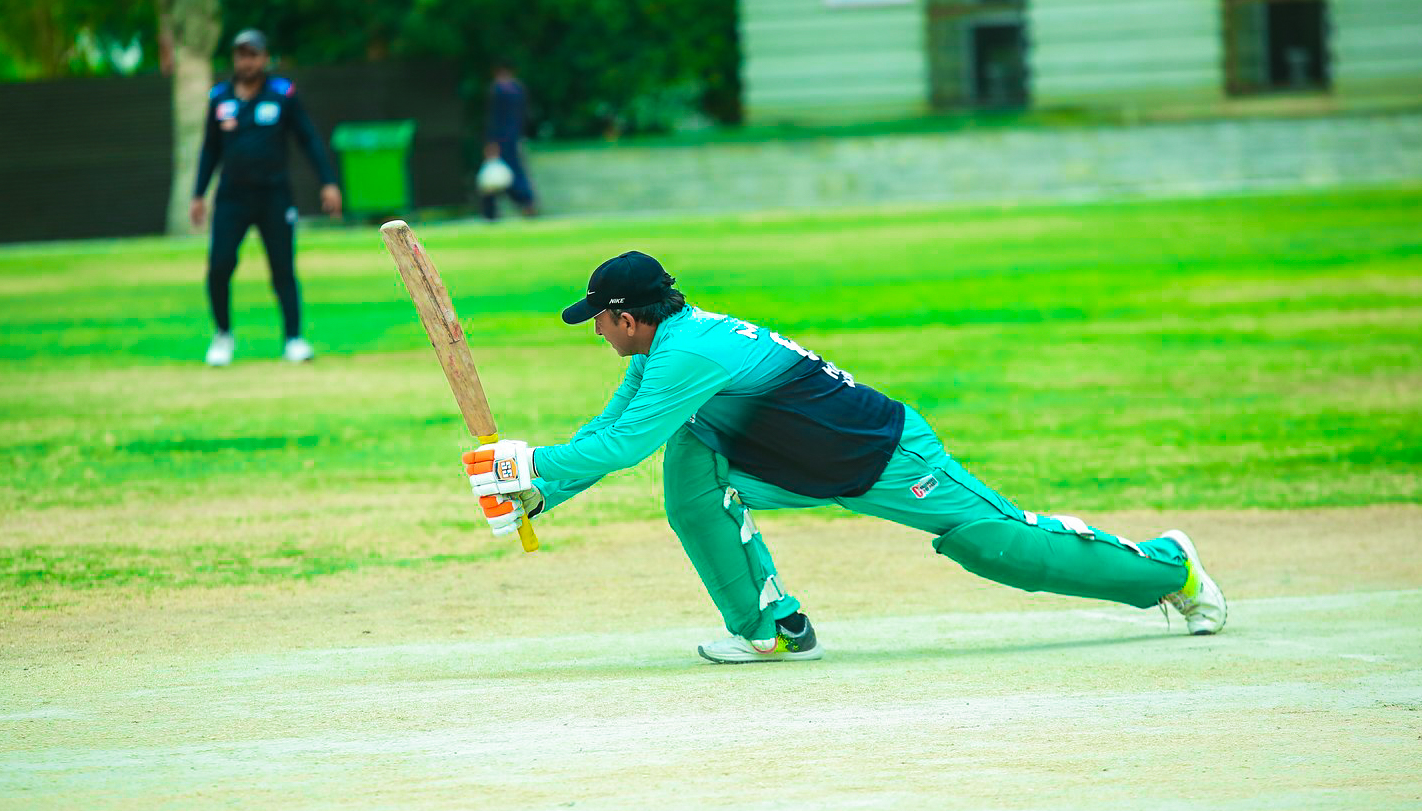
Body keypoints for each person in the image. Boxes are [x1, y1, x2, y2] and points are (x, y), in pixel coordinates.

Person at [463, 252, 1228, 664]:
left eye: (598, 322)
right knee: (692, 465)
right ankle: (771, 627)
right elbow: (611, 432)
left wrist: (525, 466)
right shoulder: (664, 348)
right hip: (795, 461)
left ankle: (1171, 567)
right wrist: (540, 491)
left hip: (884, 455)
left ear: (626, 317)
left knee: (1000, 548)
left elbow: (622, 445)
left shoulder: (687, 352)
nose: (597, 333)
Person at [190, 29, 342, 366]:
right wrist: (198, 194)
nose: (247, 62)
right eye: (241, 55)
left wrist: (328, 182)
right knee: (219, 266)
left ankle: (294, 339)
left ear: (265, 58)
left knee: (283, 267)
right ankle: (223, 336)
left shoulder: (282, 94)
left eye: (253, 55)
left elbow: (308, 139)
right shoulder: (220, 98)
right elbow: (210, 149)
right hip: (232, 197)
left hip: (274, 195)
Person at [480, 59, 537, 220]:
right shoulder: (518, 89)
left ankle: (491, 211)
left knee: (496, 174)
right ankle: (526, 202)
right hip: (515, 137)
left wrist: (490, 141)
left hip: (500, 138)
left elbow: (494, 118)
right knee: (514, 171)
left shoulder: (497, 89)